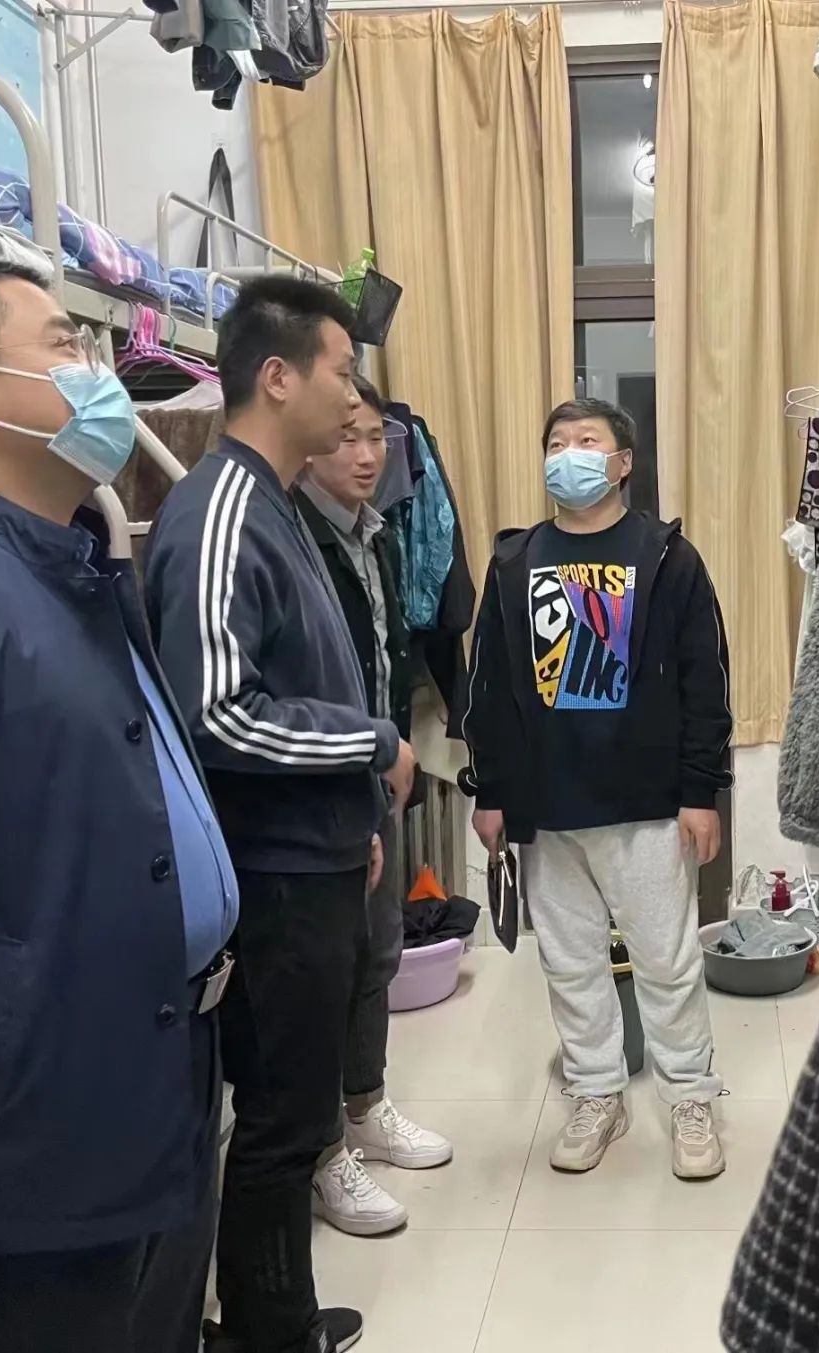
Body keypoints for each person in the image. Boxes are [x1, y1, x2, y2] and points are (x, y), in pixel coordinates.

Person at [0, 260, 237, 1353]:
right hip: (27, 1131)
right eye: (64, 345)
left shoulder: (74, 558)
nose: (100, 373)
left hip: (149, 1073)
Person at [144, 277, 416, 1353]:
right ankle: (269, 1333)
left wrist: (356, 822)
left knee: (294, 1114)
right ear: (277, 376)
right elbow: (217, 711)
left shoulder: (277, 502)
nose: (354, 399)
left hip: (312, 855)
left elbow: (301, 678)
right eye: (342, 372)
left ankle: (277, 1318)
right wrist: (371, 746)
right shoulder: (221, 510)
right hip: (270, 875)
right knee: (280, 1122)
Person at [461, 397, 732, 1179]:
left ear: (623, 463)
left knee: (667, 962)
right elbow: (488, 687)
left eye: (587, 441)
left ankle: (690, 1097)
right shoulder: (513, 563)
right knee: (571, 964)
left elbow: (705, 678)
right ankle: (596, 1091)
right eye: (556, 442)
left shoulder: (667, 557)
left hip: (646, 802)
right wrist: (489, 791)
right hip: (546, 806)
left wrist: (701, 789)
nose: (568, 454)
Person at [294, 375, 454, 1239]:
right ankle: (323, 1151)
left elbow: (386, 658)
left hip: (375, 773)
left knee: (376, 953)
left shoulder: (376, 533)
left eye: (377, 440)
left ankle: (365, 1108)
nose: (365, 456)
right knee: (328, 970)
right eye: (346, 436)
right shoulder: (292, 536)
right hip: (323, 785)